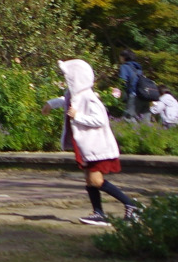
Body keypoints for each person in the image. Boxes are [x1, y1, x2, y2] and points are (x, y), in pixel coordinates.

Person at [51, 57, 141, 226]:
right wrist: (50, 104)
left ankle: (130, 204)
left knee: (96, 181)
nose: (66, 80)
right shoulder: (74, 96)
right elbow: (64, 101)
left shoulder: (88, 97)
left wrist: (78, 116)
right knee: (89, 180)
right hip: (88, 147)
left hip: (97, 146)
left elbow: (100, 119)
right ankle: (98, 213)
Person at [121, 50, 146, 121]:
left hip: (133, 94)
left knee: (128, 118)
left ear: (124, 57)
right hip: (143, 95)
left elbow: (123, 81)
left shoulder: (124, 67)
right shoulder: (139, 68)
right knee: (143, 120)